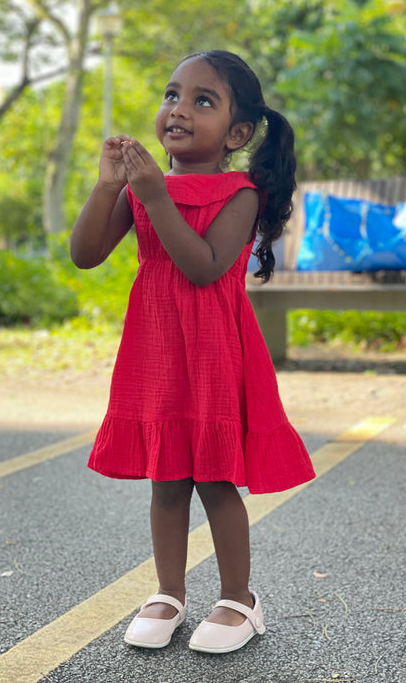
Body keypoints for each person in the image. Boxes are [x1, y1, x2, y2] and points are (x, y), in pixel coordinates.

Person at [70, 49, 315, 654]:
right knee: (167, 477)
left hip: (212, 351)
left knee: (214, 477)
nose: (178, 109)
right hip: (156, 350)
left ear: (236, 133)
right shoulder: (146, 185)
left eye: (202, 100)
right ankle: (170, 592)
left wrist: (155, 197)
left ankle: (240, 599)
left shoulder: (241, 193)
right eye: (171, 94)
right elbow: (85, 253)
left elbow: (205, 269)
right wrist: (109, 189)